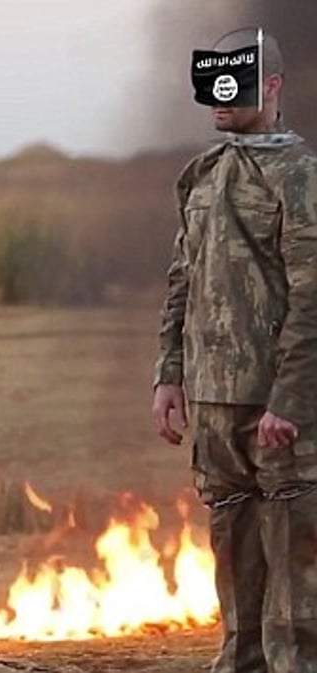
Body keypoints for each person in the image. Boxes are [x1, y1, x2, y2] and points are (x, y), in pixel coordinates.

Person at [153, 27, 317, 673]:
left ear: (271, 86)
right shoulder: (201, 174)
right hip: (214, 404)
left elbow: (313, 294)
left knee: (295, 564)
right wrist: (169, 375)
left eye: (237, 82)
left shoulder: (300, 178)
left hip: (278, 409)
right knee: (233, 556)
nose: (221, 99)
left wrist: (291, 398)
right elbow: (182, 280)